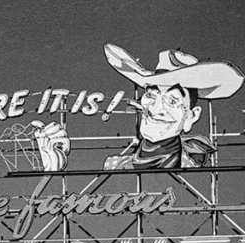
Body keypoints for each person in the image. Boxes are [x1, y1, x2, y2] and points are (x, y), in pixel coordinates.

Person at [34, 44, 244, 171]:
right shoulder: (114, 165)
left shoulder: (194, 169)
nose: (156, 108)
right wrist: (52, 170)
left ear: (191, 116)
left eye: (172, 101)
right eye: (151, 95)